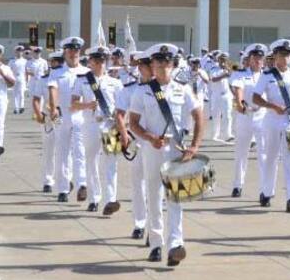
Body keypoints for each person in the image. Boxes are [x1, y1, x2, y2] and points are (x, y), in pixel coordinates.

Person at [128, 42, 204, 265]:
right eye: (159, 62)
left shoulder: (184, 89)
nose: (163, 67)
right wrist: (150, 137)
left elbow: (199, 117)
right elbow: (133, 123)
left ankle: (175, 244)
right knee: (154, 194)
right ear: (152, 65)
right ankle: (155, 242)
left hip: (177, 148)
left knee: (175, 196)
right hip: (153, 148)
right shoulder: (142, 91)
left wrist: (195, 146)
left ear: (173, 65)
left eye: (167, 63)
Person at [252, 38, 290, 212]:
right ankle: (267, 192)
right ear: (275, 56)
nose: (285, 58)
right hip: (271, 120)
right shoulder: (267, 75)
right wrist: (271, 106)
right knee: (270, 159)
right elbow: (256, 97)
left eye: (288, 55)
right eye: (282, 55)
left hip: (289, 122)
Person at [72, 45, 124, 215]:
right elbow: (73, 105)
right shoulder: (82, 80)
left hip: (110, 125)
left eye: (103, 60)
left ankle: (110, 200)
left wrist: (121, 126)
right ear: (90, 62)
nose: (101, 63)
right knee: (91, 161)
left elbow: (123, 108)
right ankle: (94, 198)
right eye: (97, 60)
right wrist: (88, 104)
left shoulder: (115, 82)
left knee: (111, 163)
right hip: (91, 124)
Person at [47, 36, 89, 203]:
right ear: (65, 52)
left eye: (76, 51)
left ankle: (82, 185)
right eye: (70, 51)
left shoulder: (86, 72)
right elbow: (53, 90)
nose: (73, 54)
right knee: (63, 153)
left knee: (80, 151)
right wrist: (54, 107)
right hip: (62, 117)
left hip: (81, 118)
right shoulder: (57, 72)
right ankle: (63, 189)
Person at [117, 50, 151, 239]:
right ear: (140, 67)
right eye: (146, 65)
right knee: (138, 184)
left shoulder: (163, 88)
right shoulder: (129, 89)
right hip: (138, 141)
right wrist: (123, 134)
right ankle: (139, 223)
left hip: (157, 143)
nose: (150, 69)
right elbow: (120, 114)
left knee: (156, 187)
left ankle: (154, 227)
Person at [229, 44, 268, 198]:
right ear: (249, 59)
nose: (258, 60)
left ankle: (265, 188)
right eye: (255, 57)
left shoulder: (268, 75)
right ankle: (238, 185)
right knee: (241, 152)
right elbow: (238, 90)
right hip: (245, 115)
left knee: (263, 154)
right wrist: (239, 103)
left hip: (262, 115)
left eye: (260, 58)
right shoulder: (240, 74)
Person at [32, 51, 61, 194]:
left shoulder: (69, 77)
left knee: (67, 151)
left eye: (60, 61)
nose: (58, 64)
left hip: (65, 118)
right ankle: (48, 181)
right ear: (50, 63)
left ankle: (65, 180)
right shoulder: (43, 80)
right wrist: (38, 114)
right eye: (55, 61)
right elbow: (36, 98)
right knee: (49, 151)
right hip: (49, 119)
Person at [11, 45, 29, 114]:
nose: (19, 53)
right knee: (15, 94)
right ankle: (16, 108)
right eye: (18, 51)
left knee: (21, 93)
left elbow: (26, 71)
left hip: (22, 78)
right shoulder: (12, 61)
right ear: (15, 52)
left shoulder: (25, 61)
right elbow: (9, 70)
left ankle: (21, 107)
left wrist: (27, 80)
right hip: (14, 77)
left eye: (21, 52)